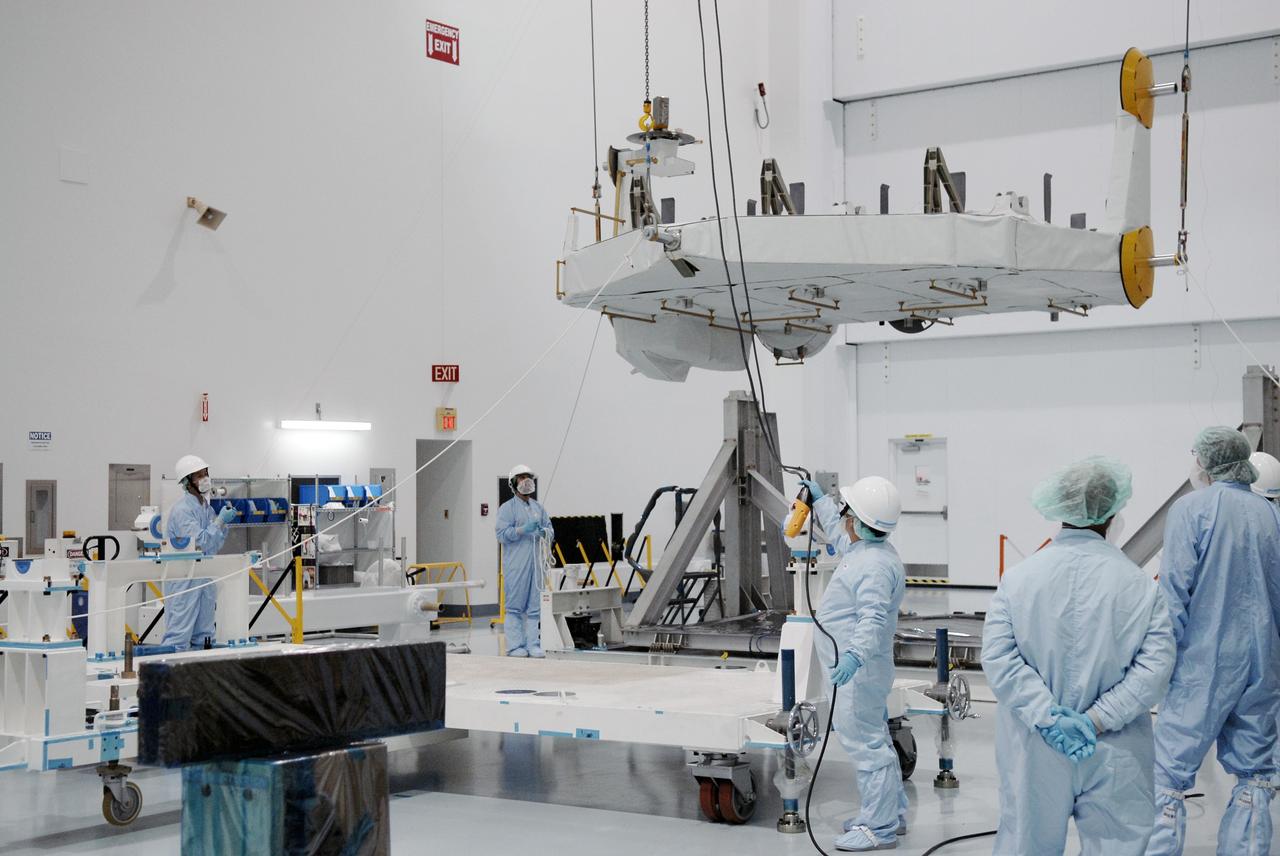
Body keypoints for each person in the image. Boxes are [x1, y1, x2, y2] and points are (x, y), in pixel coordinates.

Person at [981, 457, 1175, 855]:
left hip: (1034, 747)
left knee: (1027, 846)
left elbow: (1000, 658)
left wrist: (1048, 717)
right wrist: (1096, 719)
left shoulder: (1018, 580)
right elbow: (1153, 671)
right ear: (1113, 514)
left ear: (1060, 509)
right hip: (1115, 749)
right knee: (1117, 846)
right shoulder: (1140, 587)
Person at [1147, 428, 1280, 856]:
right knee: (1255, 777)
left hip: (1201, 664)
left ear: (1206, 461)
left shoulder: (1191, 509)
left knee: (1168, 776)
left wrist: (1158, 664)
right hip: (1262, 664)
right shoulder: (1271, 515)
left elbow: (1174, 593)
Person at [802, 476, 907, 852]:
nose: (843, 515)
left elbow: (873, 619)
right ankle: (891, 812)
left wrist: (853, 657)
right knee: (874, 737)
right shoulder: (867, 550)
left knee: (865, 744)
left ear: (860, 520)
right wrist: (820, 502)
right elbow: (836, 532)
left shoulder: (875, 566)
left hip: (858, 670)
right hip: (860, 669)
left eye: (846, 510)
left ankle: (878, 827)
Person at [162, 454, 236, 651]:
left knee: (204, 637)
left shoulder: (205, 507)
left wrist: (222, 524)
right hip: (185, 578)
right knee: (179, 635)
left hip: (204, 576)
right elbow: (200, 542)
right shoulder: (182, 510)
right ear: (187, 482)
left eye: (205, 474)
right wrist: (219, 523)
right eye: (198, 476)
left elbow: (214, 545)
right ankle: (172, 678)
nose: (204, 479)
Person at [495, 464, 553, 658]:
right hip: (517, 565)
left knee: (535, 606)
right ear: (513, 483)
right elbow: (502, 534)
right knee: (514, 606)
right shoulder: (507, 509)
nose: (526, 481)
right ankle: (515, 645)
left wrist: (544, 532)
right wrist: (522, 530)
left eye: (528, 477)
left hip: (536, 565)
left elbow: (550, 530)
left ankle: (533, 644)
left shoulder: (538, 508)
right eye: (521, 478)